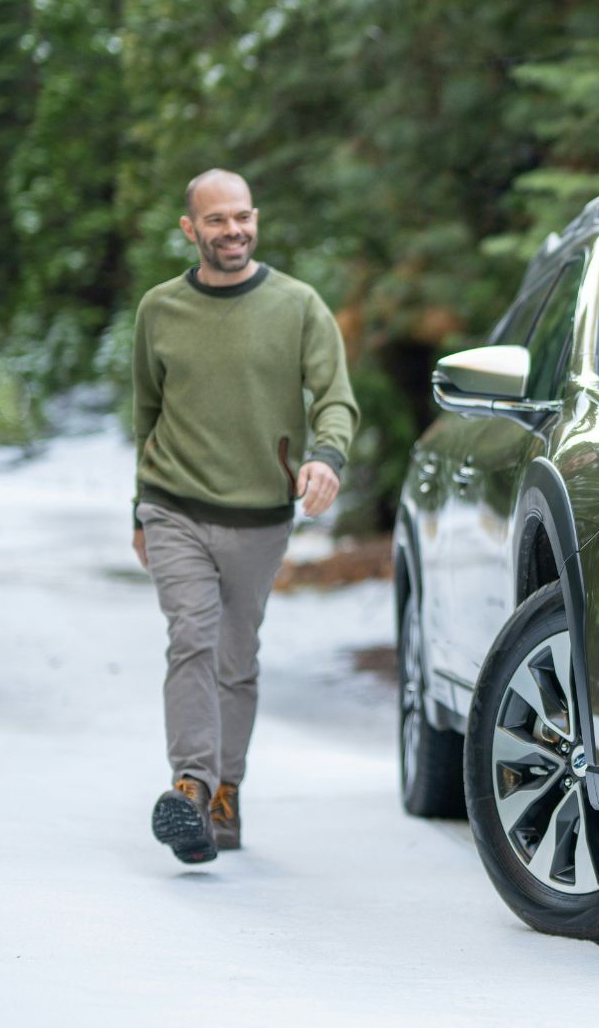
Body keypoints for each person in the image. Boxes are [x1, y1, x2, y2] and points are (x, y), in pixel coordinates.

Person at [130, 169, 358, 864]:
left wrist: (327, 458)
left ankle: (225, 795)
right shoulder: (159, 310)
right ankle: (191, 786)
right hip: (172, 505)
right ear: (190, 229)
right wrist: (136, 509)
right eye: (217, 220)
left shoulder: (297, 305)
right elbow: (146, 412)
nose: (233, 231)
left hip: (259, 515)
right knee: (191, 639)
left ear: (255, 219)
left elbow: (335, 398)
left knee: (235, 658)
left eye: (243, 217)